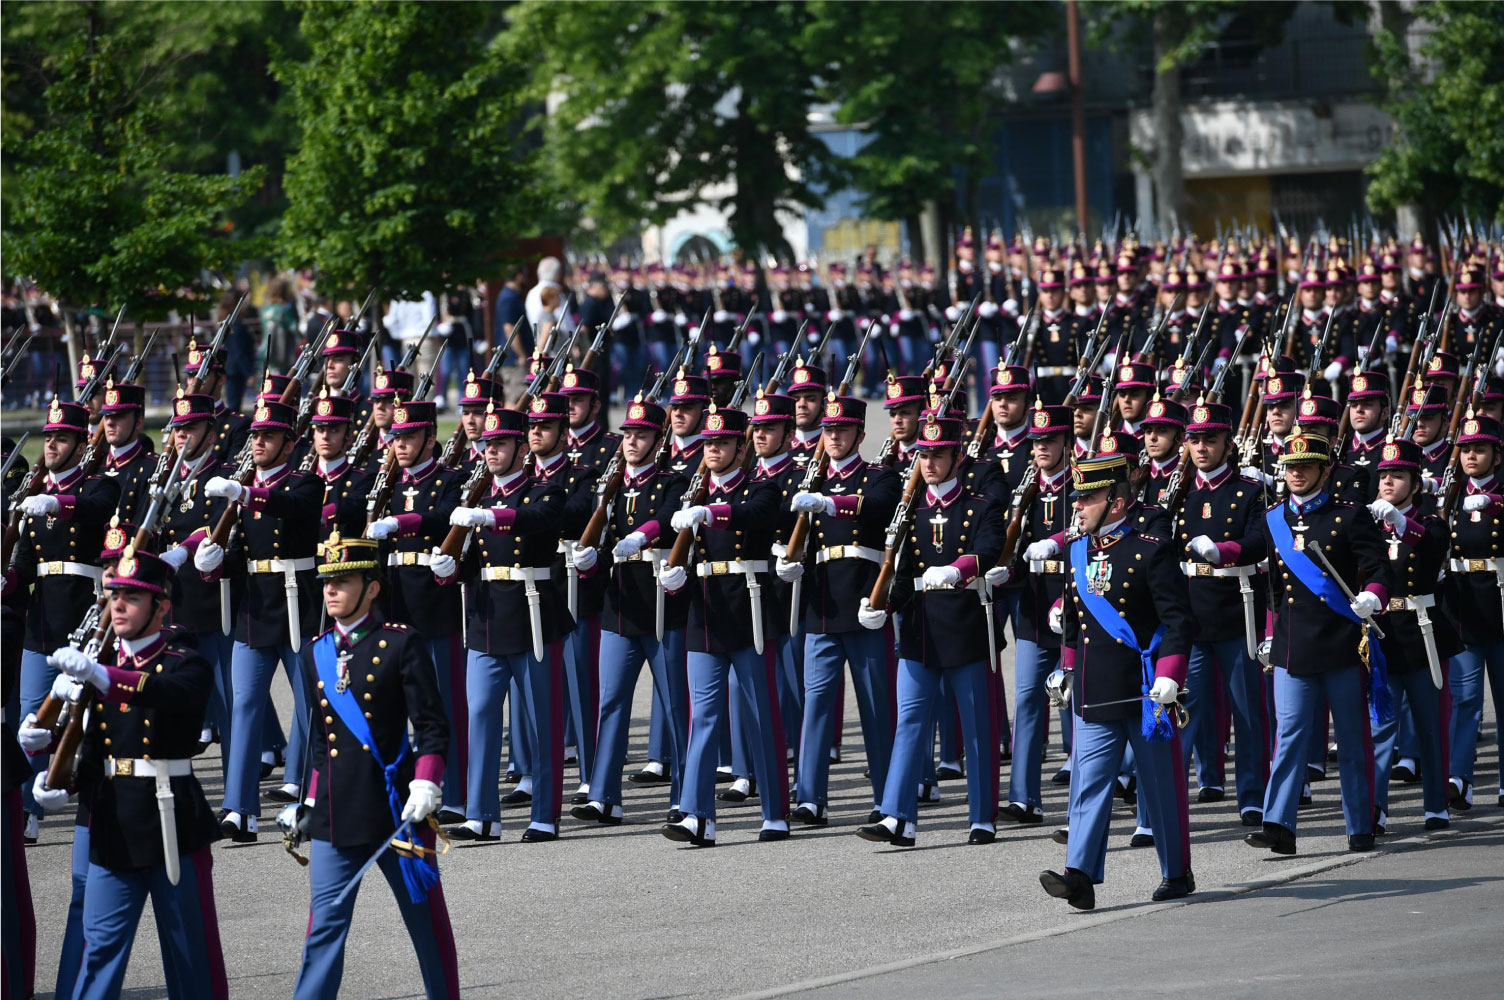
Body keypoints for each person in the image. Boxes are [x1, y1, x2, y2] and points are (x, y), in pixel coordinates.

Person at [34, 546, 228, 1000]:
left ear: (161, 606)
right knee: (97, 956)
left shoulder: (185, 660)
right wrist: (60, 783)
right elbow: (98, 748)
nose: (116, 605)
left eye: (131, 597)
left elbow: (165, 692)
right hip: (111, 823)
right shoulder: (98, 667)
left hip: (171, 824)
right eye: (112, 594)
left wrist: (102, 677)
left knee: (190, 959)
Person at [1199, 430, 1392, 855]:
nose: (1296, 474)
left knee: (1352, 738)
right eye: (1290, 467)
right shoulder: (1273, 518)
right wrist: (1220, 551)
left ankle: (1360, 824)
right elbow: (1251, 548)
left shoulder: (1349, 514)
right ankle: (1278, 824)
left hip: (1341, 640)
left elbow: (1377, 565)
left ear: (1324, 471)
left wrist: (1373, 595)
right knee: (1288, 737)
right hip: (1291, 643)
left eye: (1305, 467)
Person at [288, 532, 457, 999]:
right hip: (335, 814)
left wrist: (426, 783)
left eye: (344, 581)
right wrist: (306, 800)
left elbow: (431, 726)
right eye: (327, 582)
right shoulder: (314, 652)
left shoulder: (401, 644)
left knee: (428, 928)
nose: (331, 590)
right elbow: (320, 743)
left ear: (373, 588)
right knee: (321, 934)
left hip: (398, 811)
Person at [1039, 451, 1194, 909]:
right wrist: (1064, 667)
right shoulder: (1076, 551)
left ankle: (1177, 871)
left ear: (1118, 503)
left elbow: (1179, 622)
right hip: (1095, 687)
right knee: (1087, 786)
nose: (1078, 507)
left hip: (1145, 690)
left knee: (1160, 787)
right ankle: (1080, 875)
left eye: (1087, 499)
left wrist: (1170, 676)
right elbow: (1073, 619)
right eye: (1078, 498)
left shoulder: (1151, 550)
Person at [855, 414, 1003, 846]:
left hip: (964, 629)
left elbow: (989, 549)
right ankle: (897, 816)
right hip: (919, 633)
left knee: (976, 728)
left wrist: (957, 571)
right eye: (924, 454)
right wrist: (879, 605)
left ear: (957, 457)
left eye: (939, 454)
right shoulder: (910, 513)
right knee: (909, 723)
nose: (930, 462)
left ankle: (982, 816)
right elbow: (900, 577)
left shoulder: (979, 506)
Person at [433, 404, 569, 842]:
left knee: (541, 720)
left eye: (500, 443)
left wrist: (491, 517)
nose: (491, 451)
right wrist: (446, 565)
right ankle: (482, 813)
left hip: (533, 618)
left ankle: (544, 814)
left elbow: (541, 520)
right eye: (486, 444)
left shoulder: (544, 490)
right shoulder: (477, 498)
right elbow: (470, 562)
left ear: (518, 446)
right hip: (486, 619)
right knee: (481, 717)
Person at [193, 398, 322, 842]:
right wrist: (212, 561)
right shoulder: (239, 492)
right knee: (242, 706)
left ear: (289, 444)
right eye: (255, 436)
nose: (260, 443)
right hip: (255, 609)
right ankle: (238, 809)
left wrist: (246, 494)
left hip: (299, 607)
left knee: (310, 707)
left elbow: (292, 508)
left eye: (268, 436)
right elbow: (237, 557)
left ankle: (312, 798)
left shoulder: (307, 482)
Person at [661, 404, 790, 846]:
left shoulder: (761, 487)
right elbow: (678, 542)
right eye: (708, 443)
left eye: (721, 443)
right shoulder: (690, 494)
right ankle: (698, 814)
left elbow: (757, 514)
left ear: (739, 446)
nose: (712, 449)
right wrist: (674, 576)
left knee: (759, 715)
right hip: (705, 611)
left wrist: (710, 514)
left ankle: (775, 811)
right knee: (705, 716)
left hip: (749, 608)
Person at [778, 394, 901, 826]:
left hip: (865, 602)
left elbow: (879, 507)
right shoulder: (807, 481)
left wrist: (829, 504)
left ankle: (888, 796)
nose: (833, 437)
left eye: (842, 430)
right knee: (815, 708)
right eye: (828, 431)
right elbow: (784, 526)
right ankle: (810, 796)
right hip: (822, 606)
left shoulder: (879, 477)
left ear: (860, 436)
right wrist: (787, 560)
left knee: (876, 706)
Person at [572, 397, 692, 826]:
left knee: (677, 704)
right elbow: (601, 541)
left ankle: (685, 795)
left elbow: (668, 516)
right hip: (620, 608)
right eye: (627, 434)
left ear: (658, 440)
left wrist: (642, 536)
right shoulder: (613, 486)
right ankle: (604, 795)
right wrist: (590, 562)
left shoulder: (674, 480)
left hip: (662, 607)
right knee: (611, 703)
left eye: (641, 435)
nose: (631, 442)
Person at [8, 397, 120, 839]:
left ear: (79, 445)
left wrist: (56, 504)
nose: (51, 444)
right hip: (42, 622)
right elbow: (22, 563)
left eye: (61, 438)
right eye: (48, 437)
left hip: (86, 613)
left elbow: (95, 509)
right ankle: (28, 808)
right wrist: (9, 580)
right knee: (31, 716)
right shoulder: (36, 498)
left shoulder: (99, 485)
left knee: (89, 716)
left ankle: (96, 795)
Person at [362, 398, 467, 817]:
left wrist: (401, 523)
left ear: (429, 438)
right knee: (395, 703)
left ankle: (456, 795)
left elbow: (445, 516)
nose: (399, 444)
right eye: (395, 437)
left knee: (444, 703)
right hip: (394, 600)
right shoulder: (385, 484)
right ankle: (403, 787)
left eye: (408, 437)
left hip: (434, 602)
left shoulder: (449, 479)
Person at [1178, 400, 1270, 823]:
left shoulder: (1249, 491)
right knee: (1180, 710)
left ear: (1227, 444)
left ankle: (1252, 795)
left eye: (1209, 440)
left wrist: (1224, 552)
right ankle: (1170, 797)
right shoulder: (1178, 493)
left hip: (1236, 611)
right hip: (1190, 616)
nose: (1201, 448)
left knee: (1247, 711)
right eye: (1194, 440)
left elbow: (1258, 541)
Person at [1367, 436, 1459, 832]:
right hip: (1384, 633)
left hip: (1423, 634)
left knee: (1429, 722)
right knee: (1380, 729)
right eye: (1384, 474)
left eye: (1398, 475)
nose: (1388, 482)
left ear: (1416, 485)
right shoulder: (1367, 522)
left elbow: (1434, 546)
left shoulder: (1432, 522)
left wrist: (1402, 523)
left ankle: (1436, 804)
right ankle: (1376, 807)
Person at [1444, 412, 1504, 811]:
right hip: (1463, 606)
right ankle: (1458, 778)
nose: (1471, 456)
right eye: (1466, 449)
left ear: (1495, 456)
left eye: (1479, 449)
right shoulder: (1450, 496)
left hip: (1500, 605)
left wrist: (1497, 502)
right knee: (1464, 699)